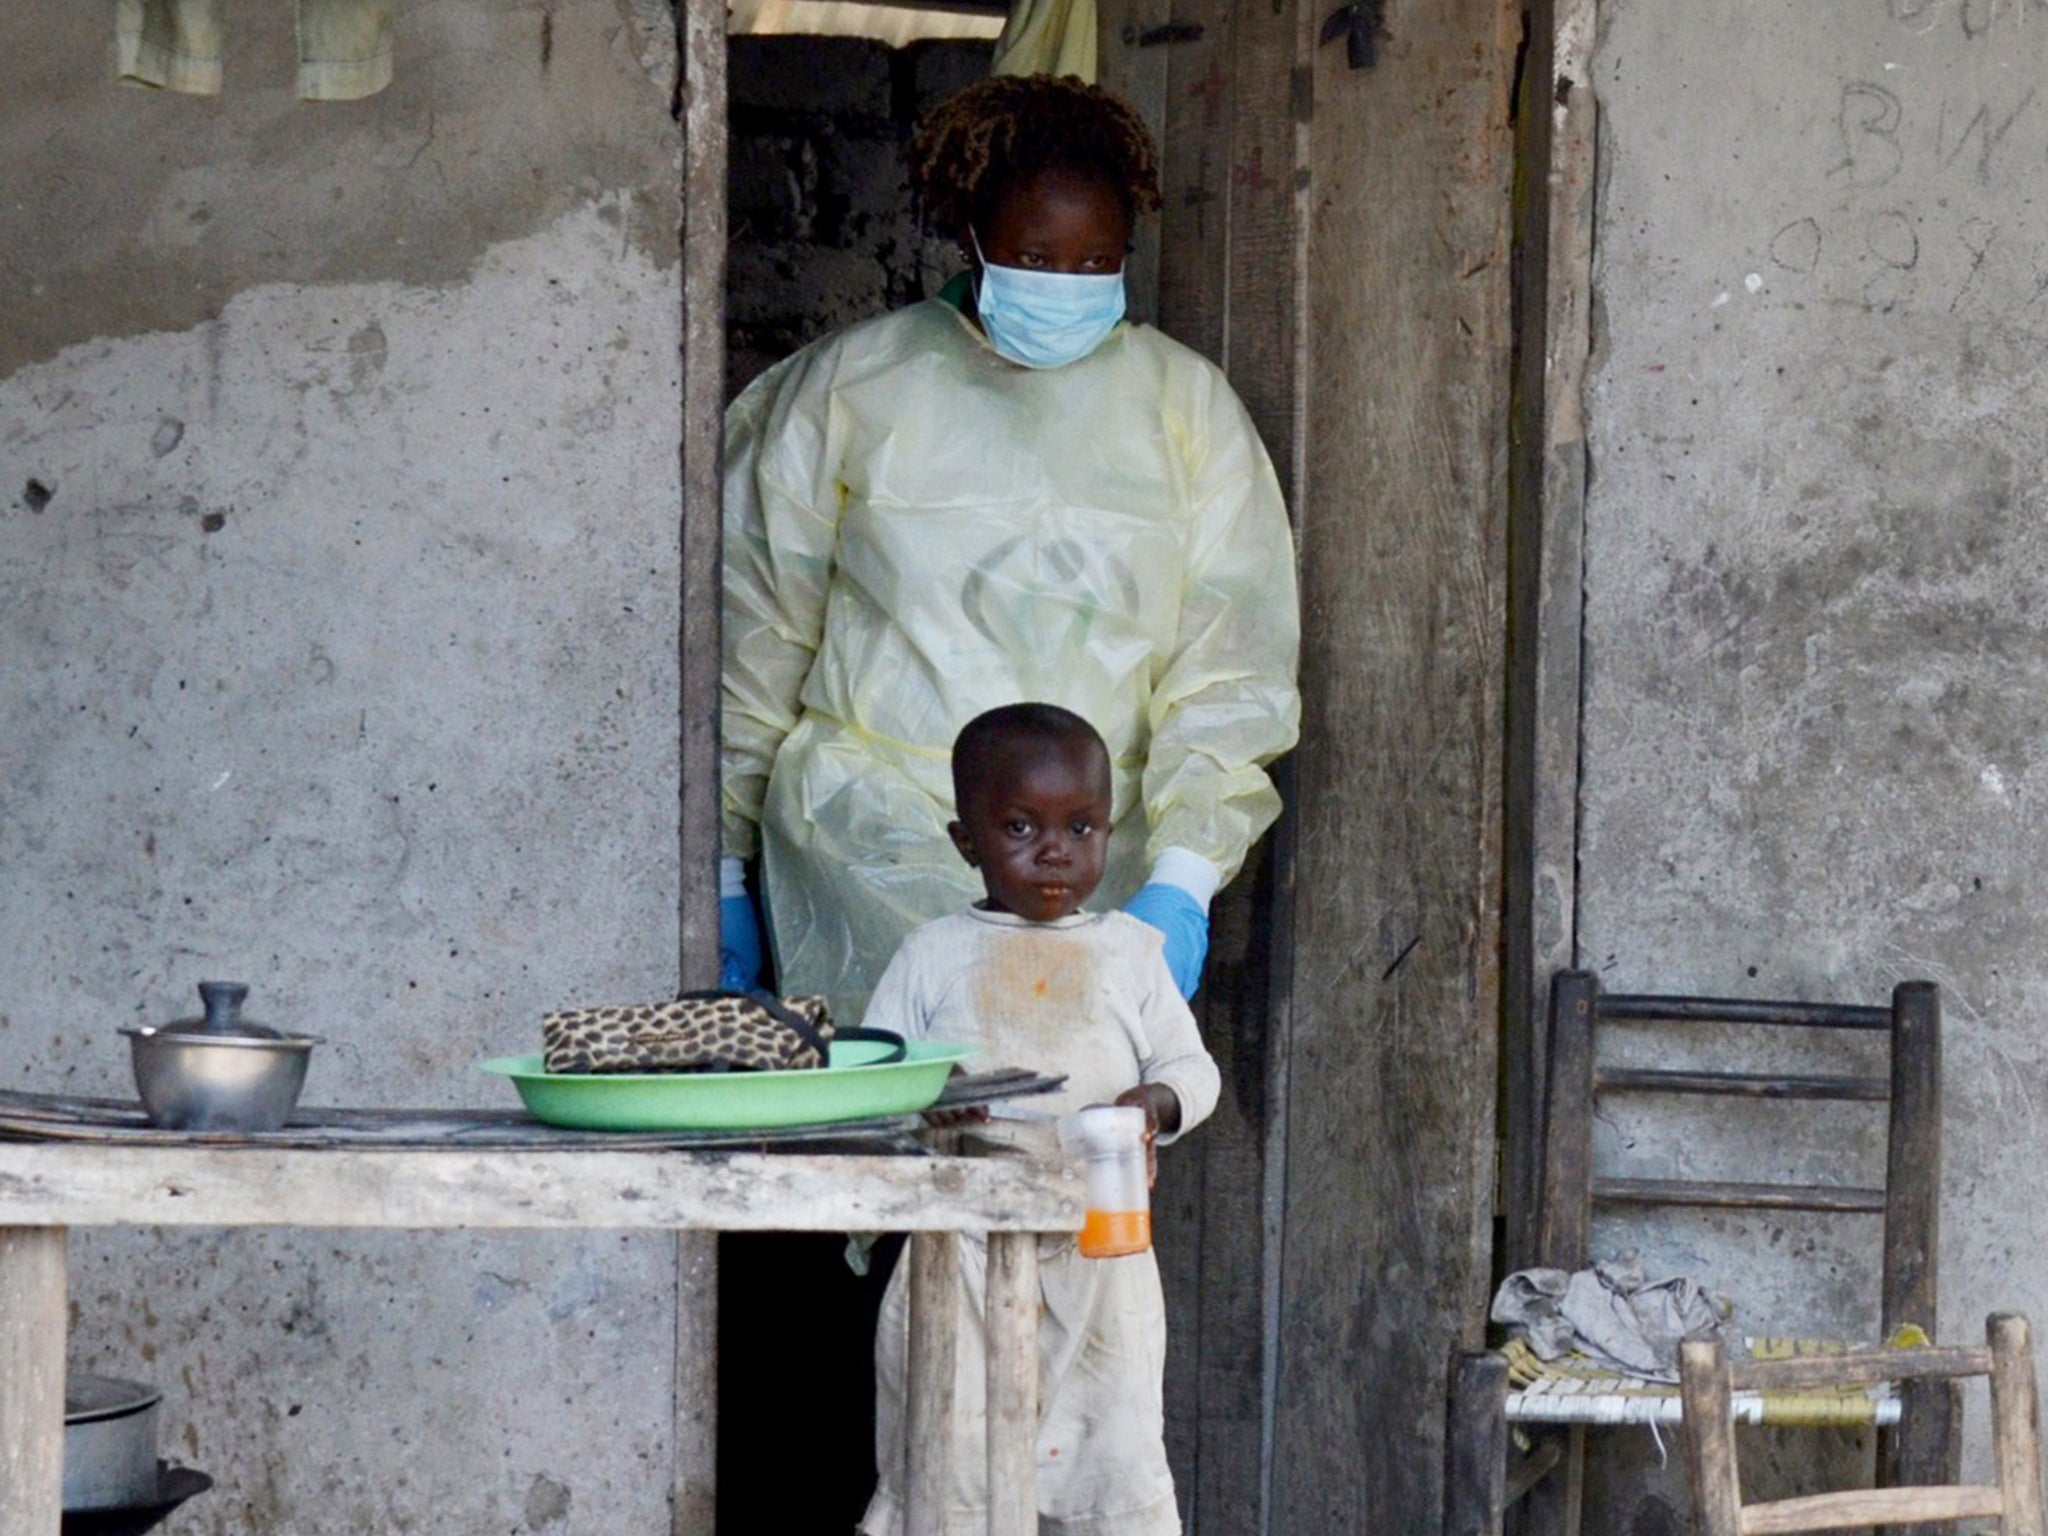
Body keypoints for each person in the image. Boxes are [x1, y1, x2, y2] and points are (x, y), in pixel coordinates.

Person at [718, 73, 1301, 1022]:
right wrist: (724, 864)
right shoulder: (854, 387)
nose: (1066, 284)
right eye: (1035, 257)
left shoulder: (1183, 407)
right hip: (869, 848)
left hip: (1092, 867)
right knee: (893, 1122)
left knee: (1069, 1126)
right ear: (972, 238)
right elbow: (756, 630)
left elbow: (1232, 667)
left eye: (1095, 263)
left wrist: (1185, 878)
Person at [859, 703, 1219, 1536]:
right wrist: (935, 1092)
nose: (1055, 850)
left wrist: (1151, 1107)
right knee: (954, 1460)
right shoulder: (934, 953)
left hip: (1103, 1253)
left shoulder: (1130, 954)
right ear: (966, 841)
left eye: (1081, 826)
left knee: (1110, 1450)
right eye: (1021, 826)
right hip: (962, 1264)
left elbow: (1190, 1070)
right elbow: (876, 1077)